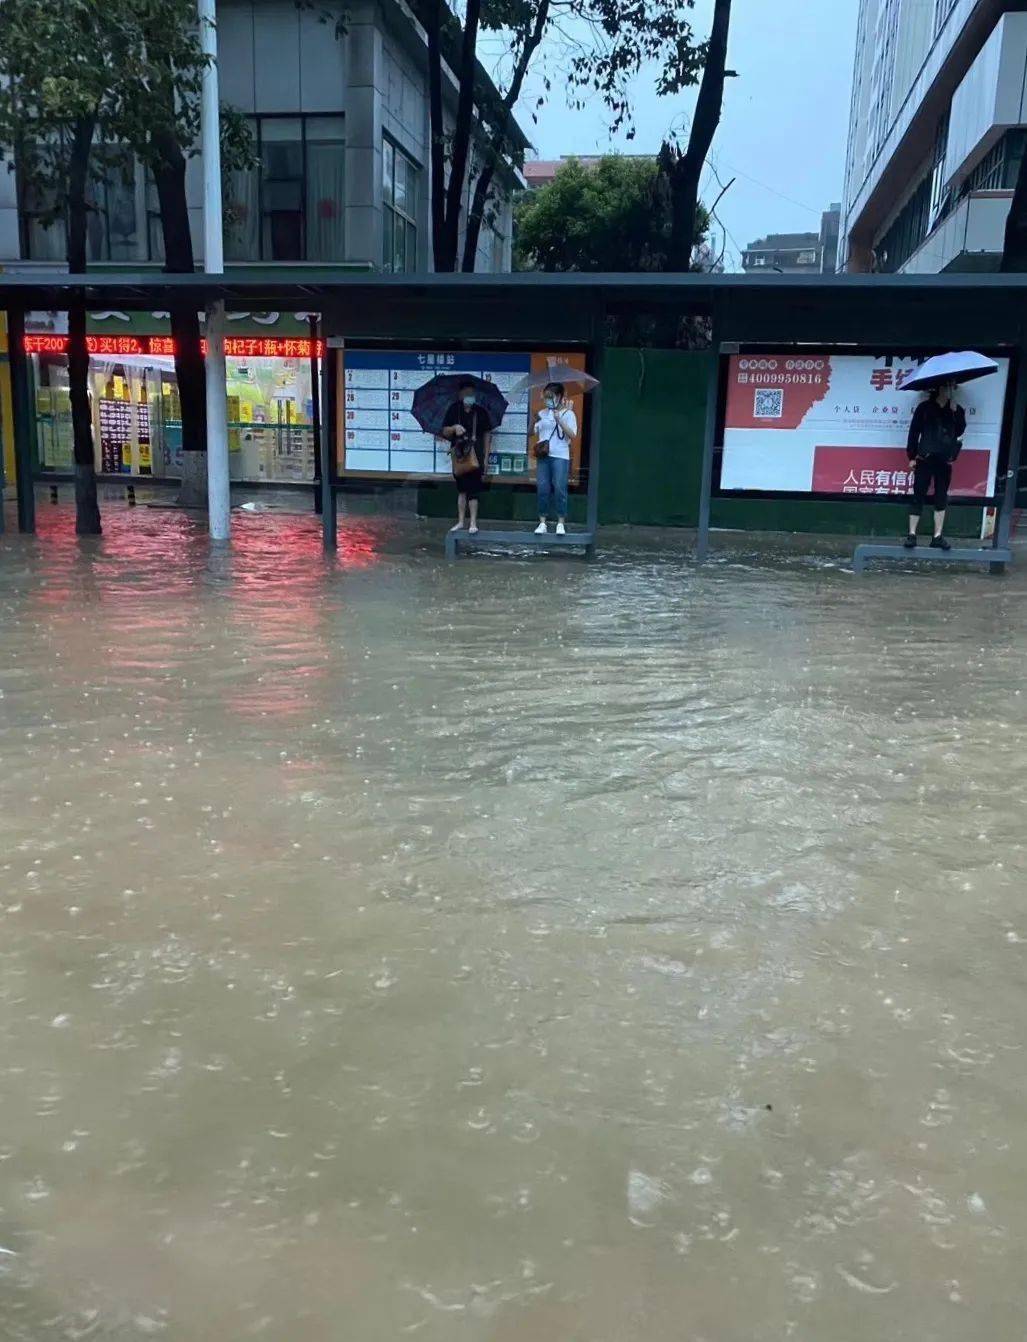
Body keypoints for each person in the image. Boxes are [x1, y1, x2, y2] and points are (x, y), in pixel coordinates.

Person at [904, 380, 966, 551]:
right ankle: (911, 534)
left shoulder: (957, 410)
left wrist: (955, 413)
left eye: (952, 387)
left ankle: (937, 536)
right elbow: (914, 432)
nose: (949, 390)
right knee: (918, 494)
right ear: (938, 388)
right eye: (946, 386)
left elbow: (960, 431)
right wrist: (911, 456)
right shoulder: (924, 408)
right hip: (925, 458)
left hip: (944, 460)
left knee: (941, 497)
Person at [441, 379, 491, 534]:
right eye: (467, 393)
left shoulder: (480, 412)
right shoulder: (453, 410)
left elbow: (488, 434)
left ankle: (473, 523)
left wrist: (486, 456)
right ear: (460, 394)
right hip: (459, 456)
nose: (470, 396)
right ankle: (461, 521)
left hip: (475, 454)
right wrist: (454, 428)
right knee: (461, 489)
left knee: (474, 489)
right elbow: (444, 431)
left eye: (472, 393)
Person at [534, 382, 578, 535]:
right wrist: (534, 420)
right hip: (544, 456)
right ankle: (542, 522)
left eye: (550, 397)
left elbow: (572, 435)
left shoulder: (569, 414)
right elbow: (533, 431)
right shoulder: (541, 413)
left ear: (559, 397)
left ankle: (560, 522)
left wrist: (559, 419)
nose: (547, 400)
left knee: (560, 488)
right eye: (545, 397)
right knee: (542, 488)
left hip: (560, 456)